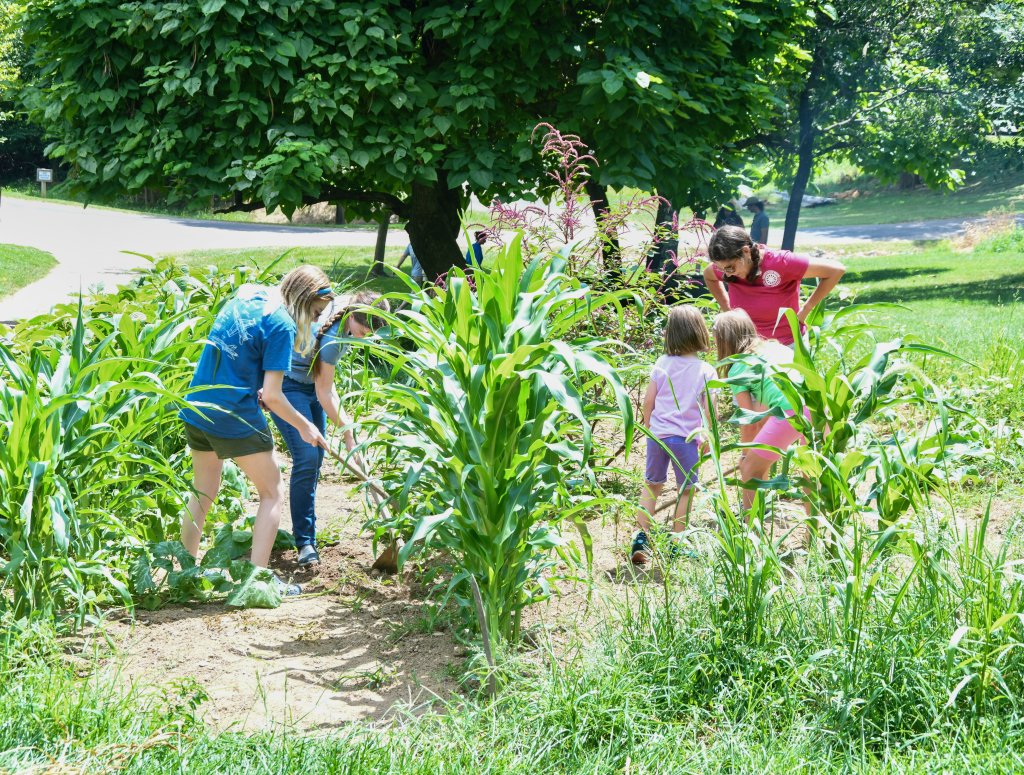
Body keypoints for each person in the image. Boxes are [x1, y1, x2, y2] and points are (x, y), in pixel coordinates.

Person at [178, 266, 332, 595]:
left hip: (198, 405)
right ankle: (256, 582)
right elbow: (274, 396)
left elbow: (241, 360)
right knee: (272, 491)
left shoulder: (246, 296)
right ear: (304, 301)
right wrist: (305, 426)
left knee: (203, 488)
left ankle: (184, 573)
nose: (315, 321)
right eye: (316, 313)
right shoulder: (282, 324)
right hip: (232, 414)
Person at [269, 291, 389, 566]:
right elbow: (326, 393)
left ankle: (307, 533)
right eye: (363, 332)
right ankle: (305, 542)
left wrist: (348, 430)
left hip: (312, 384)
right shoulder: (334, 338)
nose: (364, 338)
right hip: (288, 384)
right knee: (307, 457)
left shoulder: (350, 307)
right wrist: (348, 432)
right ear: (353, 316)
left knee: (316, 458)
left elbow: (324, 386)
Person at [632, 305, 717, 565]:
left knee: (652, 484)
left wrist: (650, 429)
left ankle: (641, 539)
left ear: (671, 333)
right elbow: (710, 412)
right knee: (686, 491)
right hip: (686, 440)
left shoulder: (662, 363)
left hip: (658, 437)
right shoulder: (705, 370)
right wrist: (709, 437)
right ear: (700, 332)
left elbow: (648, 401)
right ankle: (678, 542)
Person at [713, 309, 809, 510]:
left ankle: (750, 527)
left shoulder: (739, 367)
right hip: (817, 406)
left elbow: (749, 421)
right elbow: (763, 411)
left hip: (790, 412)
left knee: (750, 469)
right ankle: (815, 530)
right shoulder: (775, 348)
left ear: (723, 341)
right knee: (812, 473)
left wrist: (745, 457)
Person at [703, 225, 845, 346]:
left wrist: (806, 309)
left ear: (746, 251)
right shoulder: (727, 267)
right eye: (722, 269)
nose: (727, 275)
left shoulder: (781, 262)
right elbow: (709, 275)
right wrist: (727, 309)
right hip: (747, 346)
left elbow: (836, 270)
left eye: (730, 268)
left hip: (787, 344)